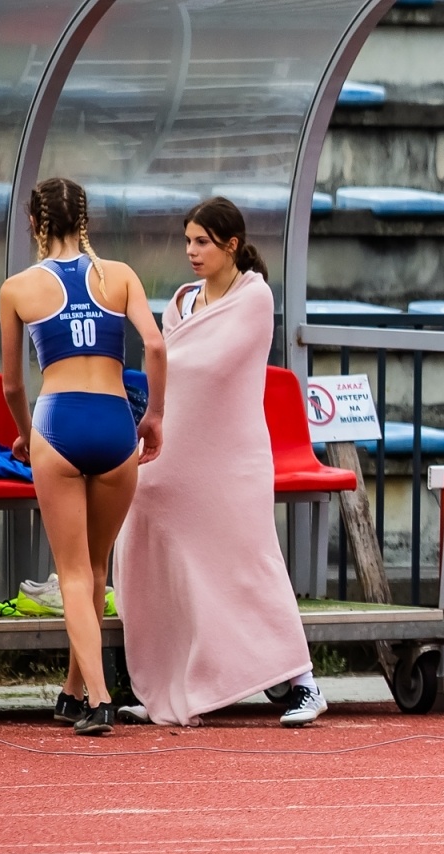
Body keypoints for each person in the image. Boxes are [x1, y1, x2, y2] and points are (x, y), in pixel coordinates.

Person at [114, 198, 326, 727]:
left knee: (250, 564)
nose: (191, 251)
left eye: (202, 241)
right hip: (173, 455)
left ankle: (305, 683)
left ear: (231, 245)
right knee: (147, 542)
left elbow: (204, 365)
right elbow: (167, 366)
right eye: (187, 240)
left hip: (231, 459)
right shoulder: (182, 301)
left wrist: (159, 359)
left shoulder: (255, 296)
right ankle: (171, 686)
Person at [0, 177, 165, 736]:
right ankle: (74, 689)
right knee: (97, 569)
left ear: (34, 223)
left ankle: (98, 697)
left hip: (59, 423)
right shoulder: (118, 275)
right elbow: (157, 346)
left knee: (71, 572)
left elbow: (15, 386)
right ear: (85, 219)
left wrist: (25, 434)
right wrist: (155, 418)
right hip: (117, 425)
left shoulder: (18, 287)